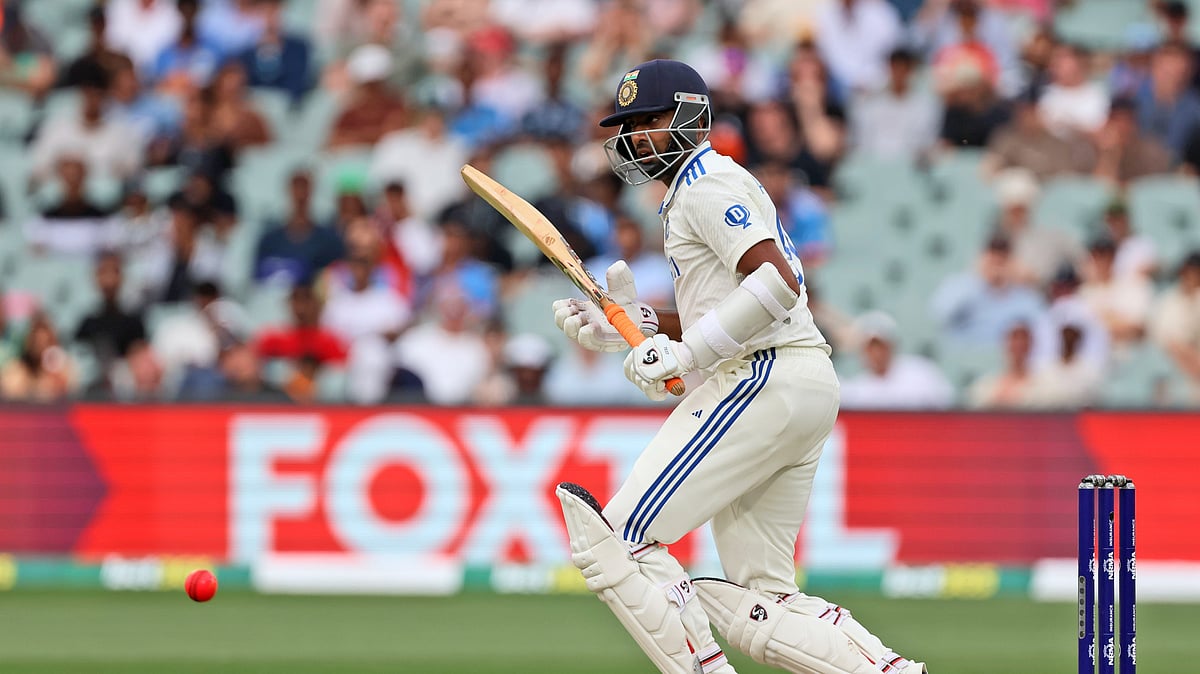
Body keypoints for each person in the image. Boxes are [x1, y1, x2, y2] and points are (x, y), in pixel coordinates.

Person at [551, 59, 926, 674]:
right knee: (763, 596)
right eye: (628, 125)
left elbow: (775, 284)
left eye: (645, 122)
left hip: (762, 374)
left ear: (687, 118)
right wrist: (637, 325)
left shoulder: (705, 183)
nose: (631, 137)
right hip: (799, 380)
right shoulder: (698, 188)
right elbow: (727, 303)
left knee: (616, 539)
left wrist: (686, 354)